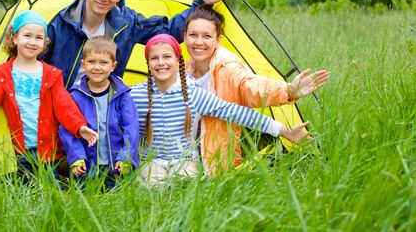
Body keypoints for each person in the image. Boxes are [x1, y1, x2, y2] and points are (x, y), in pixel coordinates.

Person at [130, 34, 311, 186]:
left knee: (184, 184)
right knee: (155, 186)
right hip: (151, 159)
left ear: (178, 61)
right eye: (154, 58)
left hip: (184, 159)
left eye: (167, 57)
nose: (161, 63)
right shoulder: (135, 95)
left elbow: (237, 113)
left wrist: (284, 131)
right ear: (148, 62)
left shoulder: (193, 94)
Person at [0, 10, 98, 181]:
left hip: (47, 152)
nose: (33, 42)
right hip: (18, 151)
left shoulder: (51, 75)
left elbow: (65, 106)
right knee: (21, 189)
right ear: (15, 38)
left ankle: (70, 176)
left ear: (44, 43)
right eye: (27, 36)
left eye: (39, 38)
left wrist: (80, 126)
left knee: (48, 189)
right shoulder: (3, 74)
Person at [42, 0, 240, 88]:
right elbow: (32, 63)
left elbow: (168, 32)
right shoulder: (61, 23)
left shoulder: (127, 22)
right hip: (61, 103)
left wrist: (204, 2)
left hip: (102, 102)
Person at [183, 5, 330, 173]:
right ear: (185, 37)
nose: (199, 42)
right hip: (186, 152)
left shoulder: (227, 67)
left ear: (218, 40)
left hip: (216, 158)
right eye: (193, 35)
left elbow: (253, 87)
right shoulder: (184, 70)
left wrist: (289, 91)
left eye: (207, 36)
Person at [59, 36, 139, 190]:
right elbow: (67, 129)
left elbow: (131, 128)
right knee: (86, 203)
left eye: (103, 62)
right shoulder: (76, 96)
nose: (97, 67)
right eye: (91, 62)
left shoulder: (122, 95)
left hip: (116, 165)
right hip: (87, 165)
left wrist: (126, 158)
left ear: (113, 66)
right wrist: (76, 157)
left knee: (118, 203)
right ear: (83, 64)